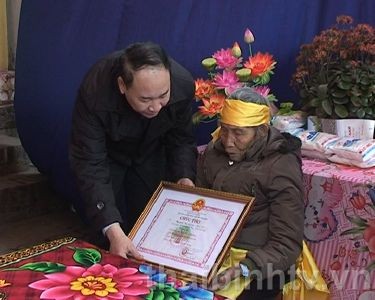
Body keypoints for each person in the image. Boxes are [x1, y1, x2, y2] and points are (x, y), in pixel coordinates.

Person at [69, 42, 197, 260]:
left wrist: (184, 177)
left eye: (163, 96)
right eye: (145, 99)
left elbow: (181, 140)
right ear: (122, 85)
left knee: (152, 227)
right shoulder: (96, 90)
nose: (156, 107)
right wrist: (112, 230)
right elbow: (89, 161)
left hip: (151, 150)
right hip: (108, 155)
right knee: (108, 231)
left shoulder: (183, 84)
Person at [195, 87, 304, 300]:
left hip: (261, 259)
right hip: (212, 251)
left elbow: (287, 242)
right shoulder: (213, 152)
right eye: (224, 129)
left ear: (261, 131)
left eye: (239, 133)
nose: (228, 141)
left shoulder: (280, 165)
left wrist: (243, 268)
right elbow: (200, 208)